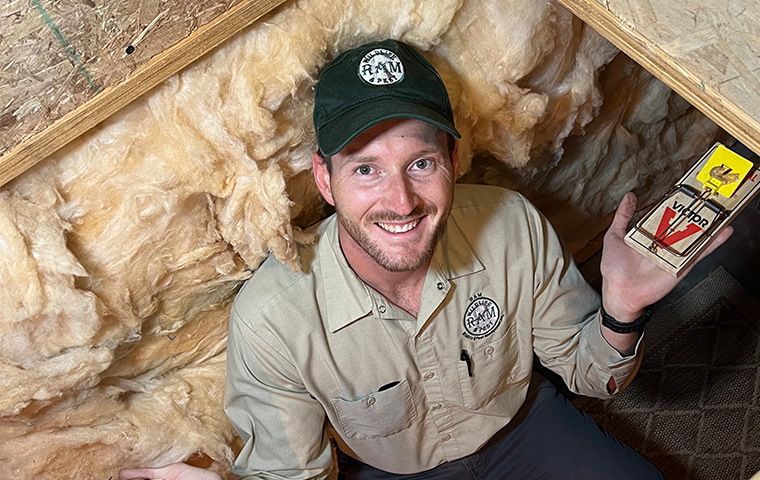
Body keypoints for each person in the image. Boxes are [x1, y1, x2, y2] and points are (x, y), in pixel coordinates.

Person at [120, 39, 732, 480]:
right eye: (365, 169)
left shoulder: (512, 226)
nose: (401, 200)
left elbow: (589, 373)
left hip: (523, 428)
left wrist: (620, 314)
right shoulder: (274, 318)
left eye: (421, 162)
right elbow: (289, 474)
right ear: (325, 181)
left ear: (454, 161)